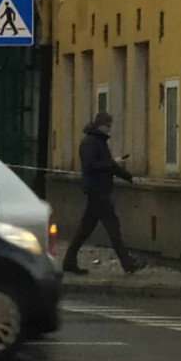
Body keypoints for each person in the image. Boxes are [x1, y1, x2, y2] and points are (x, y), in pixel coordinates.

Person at [63, 111, 142, 276]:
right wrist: (113, 163)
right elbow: (91, 165)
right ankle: (128, 264)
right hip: (97, 190)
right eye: (108, 126)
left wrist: (130, 178)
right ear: (100, 125)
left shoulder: (98, 142)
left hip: (98, 190)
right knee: (113, 228)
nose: (110, 129)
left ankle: (69, 261)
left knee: (86, 228)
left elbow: (109, 167)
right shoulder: (90, 143)